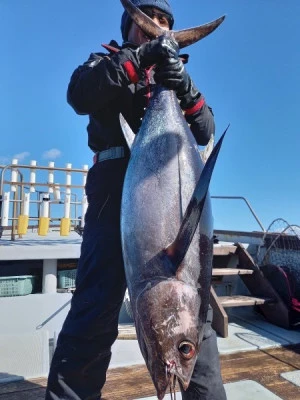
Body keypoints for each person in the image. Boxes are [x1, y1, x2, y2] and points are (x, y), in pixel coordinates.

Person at [45, 0, 227, 399]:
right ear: (129, 26)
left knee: (194, 316)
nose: (158, 27)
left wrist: (182, 84)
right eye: (149, 21)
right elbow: (79, 95)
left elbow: (205, 128)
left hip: (177, 210)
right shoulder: (104, 63)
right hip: (114, 202)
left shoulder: (176, 78)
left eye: (165, 22)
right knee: (93, 311)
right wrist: (141, 58)